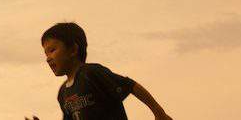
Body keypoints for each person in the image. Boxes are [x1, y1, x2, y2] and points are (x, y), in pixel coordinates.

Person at [27, 22, 172, 120]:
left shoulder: (91, 73)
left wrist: (159, 112)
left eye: (52, 50)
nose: (48, 58)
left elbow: (130, 85)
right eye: (46, 53)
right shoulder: (63, 93)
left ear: (73, 49)